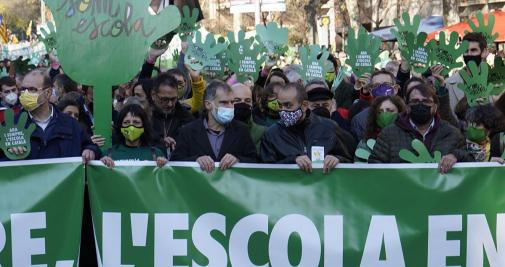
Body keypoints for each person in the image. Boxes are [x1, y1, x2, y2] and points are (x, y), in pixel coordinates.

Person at [369, 84, 473, 173]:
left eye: (426, 101)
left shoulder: (452, 133)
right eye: (415, 101)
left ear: (435, 107)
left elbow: (470, 163)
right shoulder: (389, 134)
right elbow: (374, 167)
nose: (420, 105)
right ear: (408, 107)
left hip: (441, 194)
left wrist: (456, 156)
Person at [4, 68, 100, 162]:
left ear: (48, 92)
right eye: (23, 89)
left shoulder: (70, 124)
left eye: (32, 89)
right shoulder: (11, 125)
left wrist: (91, 150)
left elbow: (89, 146)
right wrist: (6, 150)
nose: (25, 94)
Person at [260, 83, 354, 173]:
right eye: (280, 105)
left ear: (304, 105)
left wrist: (338, 159)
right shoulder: (271, 134)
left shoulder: (329, 127)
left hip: (322, 188)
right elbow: (266, 172)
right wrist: (292, 161)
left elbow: (349, 161)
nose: (283, 110)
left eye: (288, 105)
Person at [172, 80, 257, 172]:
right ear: (208, 104)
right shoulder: (187, 131)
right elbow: (175, 163)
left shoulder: (242, 130)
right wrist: (195, 160)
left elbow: (255, 161)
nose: (230, 107)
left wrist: (238, 160)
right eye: (224, 102)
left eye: (232, 102)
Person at [100, 104, 168, 167]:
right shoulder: (108, 154)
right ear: (120, 126)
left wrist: (164, 164)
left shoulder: (156, 154)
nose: (131, 127)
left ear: (144, 126)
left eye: (136, 122)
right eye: (126, 122)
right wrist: (102, 163)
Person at [150, 73, 194, 155]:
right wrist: (159, 141)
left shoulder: (186, 118)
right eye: (164, 99)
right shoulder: (143, 117)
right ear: (153, 95)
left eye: (173, 99)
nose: (170, 104)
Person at [351, 70, 401, 140]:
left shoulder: (406, 115)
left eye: (386, 84)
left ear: (395, 89)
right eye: (376, 85)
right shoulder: (360, 120)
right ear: (371, 92)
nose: (381, 88)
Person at [446, 32, 489, 112]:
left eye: (473, 50)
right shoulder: (449, 84)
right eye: (466, 51)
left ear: (483, 52)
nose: (469, 54)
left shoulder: (495, 83)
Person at [355, 95, 406, 162]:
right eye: (380, 112)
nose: (384, 114)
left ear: (400, 112)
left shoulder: (408, 139)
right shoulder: (365, 144)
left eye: (390, 111)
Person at [232, 83, 266, 153]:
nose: (243, 104)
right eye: (237, 100)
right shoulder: (219, 129)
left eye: (247, 101)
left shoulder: (261, 132)